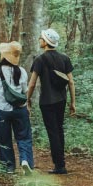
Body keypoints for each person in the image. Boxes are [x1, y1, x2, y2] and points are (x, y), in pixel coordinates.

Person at [27, 28, 76, 174]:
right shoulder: (65, 58)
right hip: (61, 100)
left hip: (47, 102)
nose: (39, 40)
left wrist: (27, 99)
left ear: (46, 41)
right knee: (59, 130)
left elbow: (32, 84)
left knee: (53, 132)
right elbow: (71, 82)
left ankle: (59, 166)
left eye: (41, 38)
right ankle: (61, 163)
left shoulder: (40, 59)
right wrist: (73, 102)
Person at [0, 41, 34, 173]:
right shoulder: (22, 71)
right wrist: (27, 106)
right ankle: (25, 160)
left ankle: (9, 166)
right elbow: (25, 92)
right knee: (24, 137)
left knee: (4, 137)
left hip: (3, 109)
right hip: (20, 109)